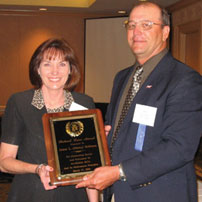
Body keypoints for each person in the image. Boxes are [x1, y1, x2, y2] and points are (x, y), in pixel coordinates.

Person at [76, 2, 202, 202]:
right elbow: (121, 132)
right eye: (131, 25)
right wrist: (101, 136)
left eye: (147, 25)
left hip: (160, 194)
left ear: (165, 32)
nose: (136, 32)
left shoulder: (184, 79)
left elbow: (180, 147)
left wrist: (119, 172)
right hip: (119, 192)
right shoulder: (122, 77)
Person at [0, 38, 98, 202]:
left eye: (62, 64)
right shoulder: (20, 103)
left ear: (70, 70)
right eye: (47, 64)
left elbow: (90, 165)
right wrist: (37, 169)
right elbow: (4, 162)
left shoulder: (84, 103)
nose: (55, 71)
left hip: (74, 195)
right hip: (31, 193)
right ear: (37, 69)